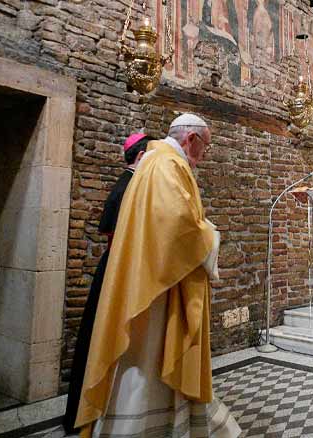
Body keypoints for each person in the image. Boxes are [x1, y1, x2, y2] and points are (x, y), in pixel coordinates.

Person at [75, 114, 240, 437]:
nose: (204, 156)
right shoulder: (167, 165)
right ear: (190, 139)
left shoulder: (154, 162)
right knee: (150, 360)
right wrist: (211, 235)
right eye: (205, 146)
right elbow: (176, 222)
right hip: (157, 287)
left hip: (149, 277)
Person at [62, 132, 154, 434]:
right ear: (140, 157)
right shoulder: (130, 187)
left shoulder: (126, 183)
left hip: (116, 266)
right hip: (120, 269)